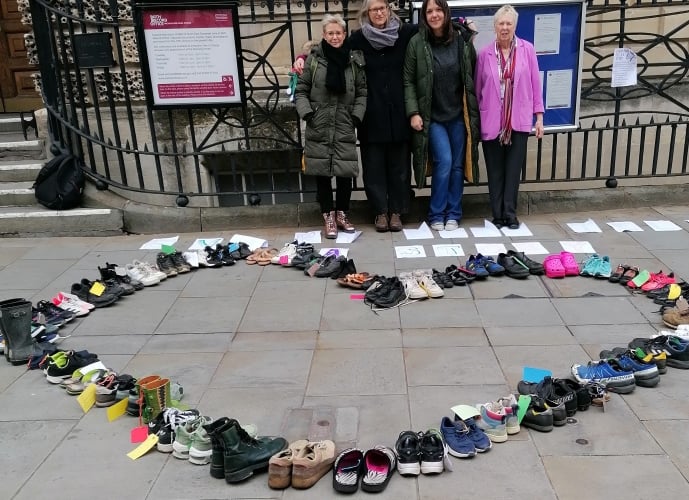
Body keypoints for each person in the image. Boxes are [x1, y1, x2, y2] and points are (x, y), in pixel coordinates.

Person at [403, 0, 480, 232]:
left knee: (457, 166)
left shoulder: (461, 41)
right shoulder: (417, 42)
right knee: (444, 162)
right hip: (432, 117)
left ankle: (454, 213)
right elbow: (408, 80)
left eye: (438, 10)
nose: (434, 15)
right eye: (429, 11)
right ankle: (436, 213)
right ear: (424, 16)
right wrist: (413, 112)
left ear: (446, 13)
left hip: (458, 115)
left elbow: (472, 74)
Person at [294, 14, 367, 239]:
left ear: (344, 35)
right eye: (330, 33)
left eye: (338, 33)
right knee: (322, 174)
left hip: (344, 122)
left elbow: (362, 92)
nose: (335, 37)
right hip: (320, 122)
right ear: (324, 35)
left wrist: (356, 117)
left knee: (345, 173)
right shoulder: (314, 60)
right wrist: (308, 114)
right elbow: (302, 90)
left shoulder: (354, 60)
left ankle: (342, 213)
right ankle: (328, 215)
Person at [348, 0, 417, 232]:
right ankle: (379, 212)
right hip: (371, 112)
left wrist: (460, 26)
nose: (378, 13)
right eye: (373, 9)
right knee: (374, 166)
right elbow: (332, 50)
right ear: (367, 13)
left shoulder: (406, 33)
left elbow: (435, 33)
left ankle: (396, 212)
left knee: (399, 167)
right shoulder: (358, 38)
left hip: (399, 111)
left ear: (389, 10)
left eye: (382, 8)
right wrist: (303, 56)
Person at [475, 4, 544, 230]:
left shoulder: (528, 49)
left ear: (515, 26)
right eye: (501, 23)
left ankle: (510, 214)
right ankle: (497, 214)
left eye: (508, 23)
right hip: (492, 120)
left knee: (513, 170)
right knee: (495, 171)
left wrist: (539, 117)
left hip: (519, 120)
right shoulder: (484, 53)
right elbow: (478, 89)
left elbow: (535, 84)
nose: (504, 27)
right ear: (495, 26)